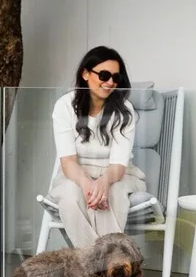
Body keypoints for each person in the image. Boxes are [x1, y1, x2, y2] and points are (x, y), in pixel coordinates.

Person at [49, 46, 148, 248]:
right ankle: (104, 266)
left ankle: (97, 267)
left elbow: (119, 165)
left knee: (112, 194)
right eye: (103, 75)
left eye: (115, 77)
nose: (110, 82)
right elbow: (68, 162)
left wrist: (103, 183)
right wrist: (87, 184)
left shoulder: (124, 110)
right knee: (69, 196)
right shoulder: (65, 106)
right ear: (86, 74)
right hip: (76, 173)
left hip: (118, 174)